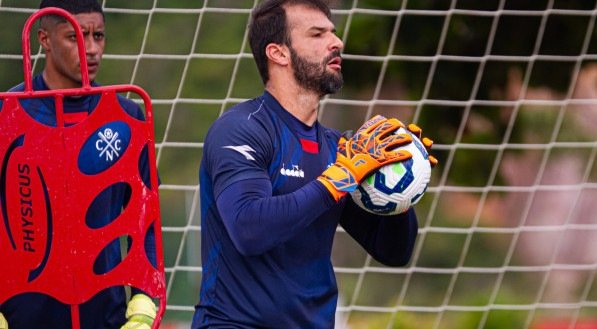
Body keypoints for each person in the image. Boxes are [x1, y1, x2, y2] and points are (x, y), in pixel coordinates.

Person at [192, 0, 437, 328]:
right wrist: (337, 179)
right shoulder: (241, 129)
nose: (336, 43)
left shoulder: (339, 150)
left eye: (333, 33)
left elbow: (393, 251)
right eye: (317, 34)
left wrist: (400, 184)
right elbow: (249, 229)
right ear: (278, 53)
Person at [0, 1, 158, 328]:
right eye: (75, 37)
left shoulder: (126, 115)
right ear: (44, 39)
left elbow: (147, 217)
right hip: (22, 316)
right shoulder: (6, 116)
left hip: (105, 315)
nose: (91, 49)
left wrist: (145, 299)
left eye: (98, 36)